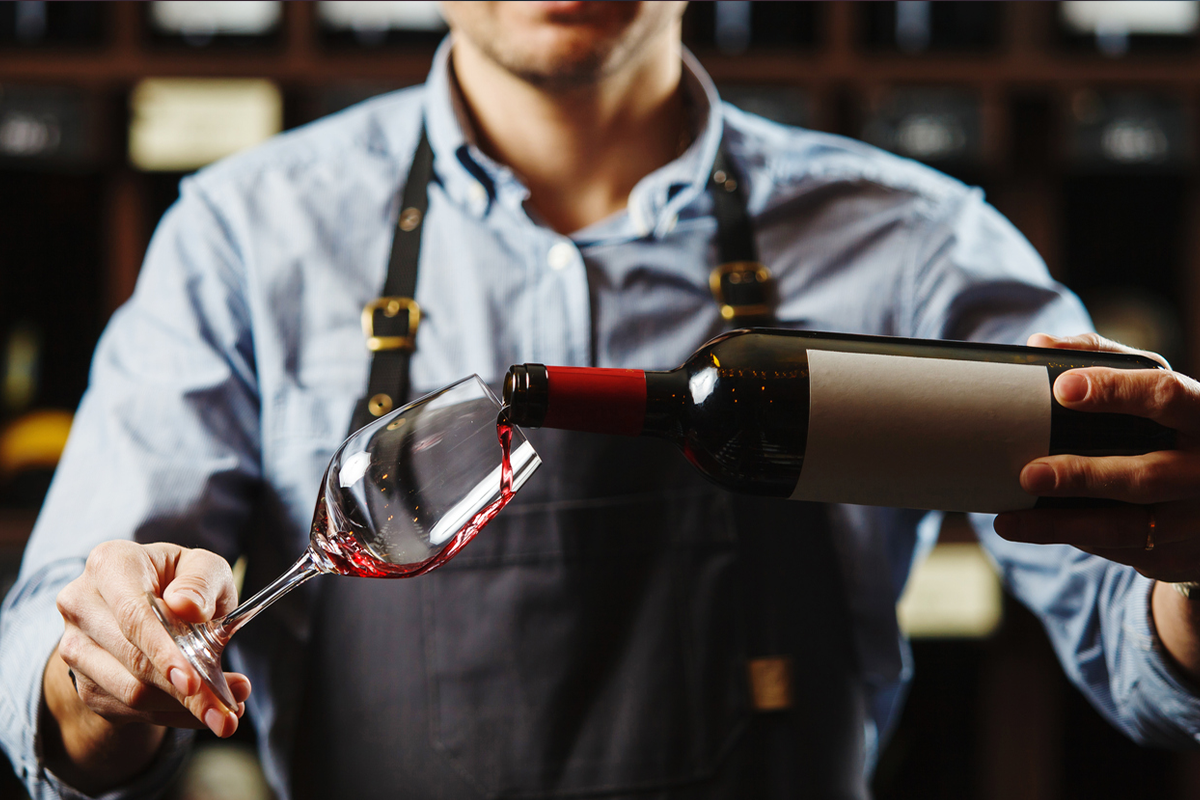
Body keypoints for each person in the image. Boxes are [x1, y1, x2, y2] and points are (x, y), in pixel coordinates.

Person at [2, 2, 1200, 798]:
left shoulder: (916, 242)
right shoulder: (242, 235)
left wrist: (1189, 566)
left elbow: (1133, 644)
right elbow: (51, 679)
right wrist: (103, 667)